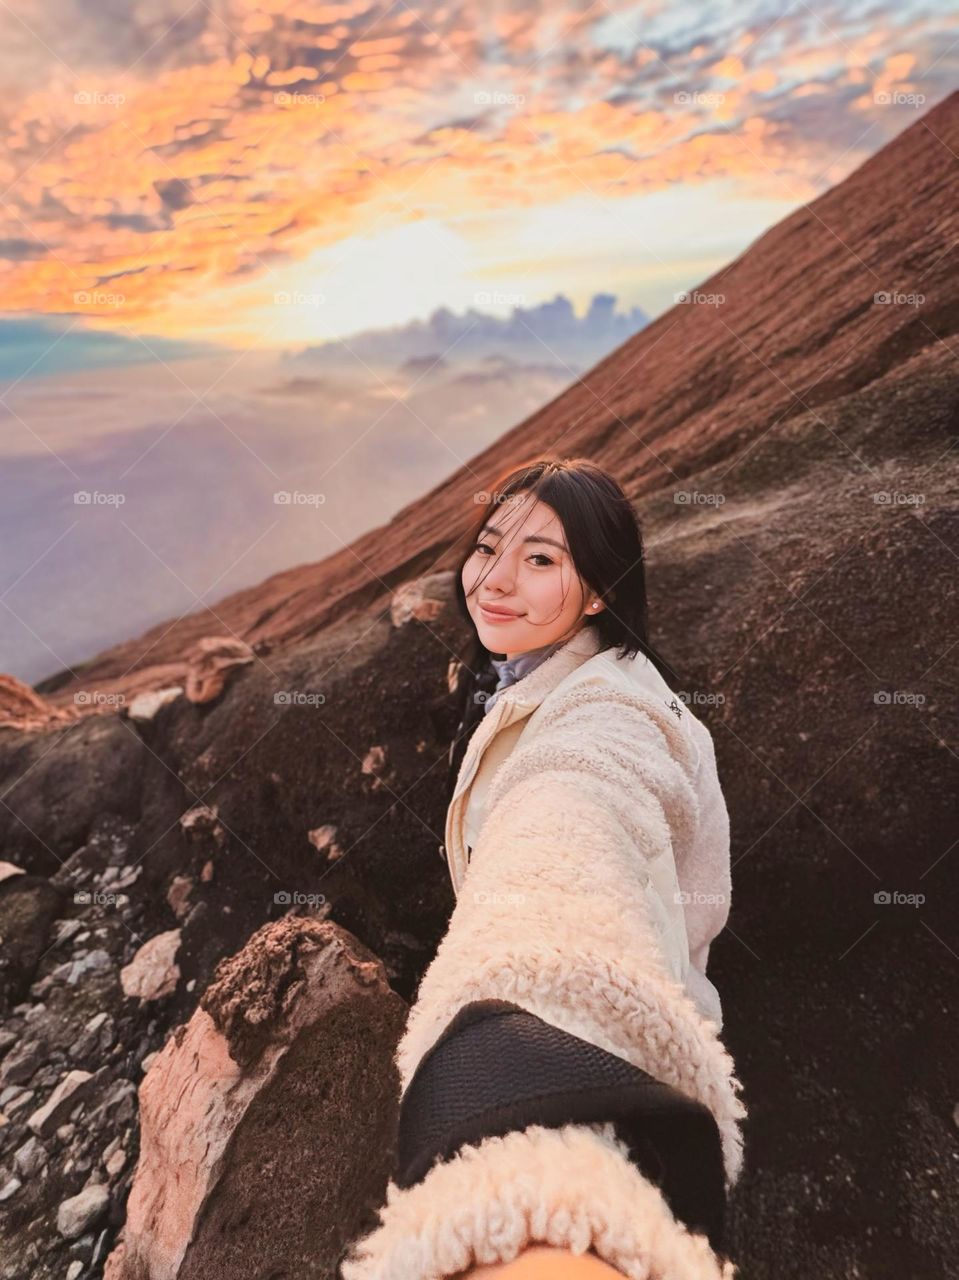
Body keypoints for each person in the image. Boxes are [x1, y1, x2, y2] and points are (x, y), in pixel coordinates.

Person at [341, 458, 747, 1280]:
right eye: (488, 547)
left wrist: (526, 1084)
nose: (493, 580)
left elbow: (567, 841)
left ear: (597, 590)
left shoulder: (611, 717)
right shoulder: (529, 672)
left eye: (539, 560)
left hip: (623, 1041)